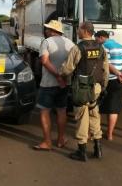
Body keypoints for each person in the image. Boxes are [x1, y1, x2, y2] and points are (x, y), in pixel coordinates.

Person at [59, 22, 109, 162]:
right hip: (97, 87)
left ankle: (82, 151)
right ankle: (98, 149)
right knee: (94, 115)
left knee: (82, 117)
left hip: (81, 88)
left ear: (85, 31)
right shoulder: (101, 48)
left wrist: (59, 74)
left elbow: (67, 69)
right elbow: (105, 69)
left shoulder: (78, 48)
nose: (77, 31)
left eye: (79, 29)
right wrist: (104, 86)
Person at [33, 20, 75, 151]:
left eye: (47, 29)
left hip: (48, 84)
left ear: (51, 30)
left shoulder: (46, 42)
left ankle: (47, 142)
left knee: (45, 111)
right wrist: (64, 78)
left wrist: (57, 76)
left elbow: (44, 61)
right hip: (65, 83)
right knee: (61, 110)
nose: (45, 31)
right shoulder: (70, 43)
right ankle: (61, 139)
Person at [94, 30, 122, 141]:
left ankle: (96, 132)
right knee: (113, 109)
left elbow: (106, 63)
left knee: (98, 107)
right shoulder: (121, 46)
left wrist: (117, 73)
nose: (96, 41)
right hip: (120, 81)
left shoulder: (104, 47)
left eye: (96, 38)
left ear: (101, 37)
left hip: (107, 81)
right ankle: (110, 134)